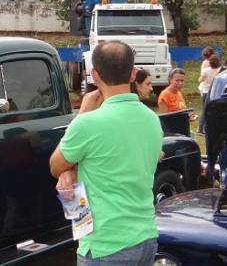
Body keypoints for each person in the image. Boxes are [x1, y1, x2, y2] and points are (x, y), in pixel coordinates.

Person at [50, 41, 162, 265]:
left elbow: (56, 165)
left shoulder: (87, 124)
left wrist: (82, 112)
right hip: (145, 236)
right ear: (133, 74)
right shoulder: (152, 119)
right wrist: (71, 170)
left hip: (106, 244)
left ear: (94, 75)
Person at [197, 55, 221, 135]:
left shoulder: (206, 70)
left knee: (204, 110)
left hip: (206, 91)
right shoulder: (219, 70)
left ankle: (200, 128)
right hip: (215, 92)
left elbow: (200, 80)